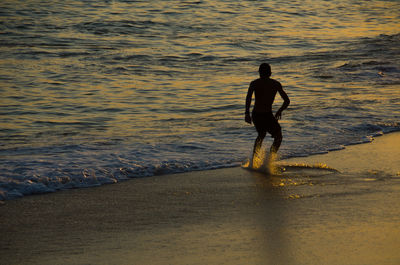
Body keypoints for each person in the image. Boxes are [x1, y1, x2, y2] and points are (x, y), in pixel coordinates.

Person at [245, 63, 290, 162]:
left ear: (259, 73)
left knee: (261, 135)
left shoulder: (254, 83)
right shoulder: (275, 84)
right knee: (278, 137)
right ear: (270, 73)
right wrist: (279, 111)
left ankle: (255, 160)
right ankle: (269, 160)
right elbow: (287, 101)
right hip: (267, 115)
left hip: (256, 114)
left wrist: (247, 114)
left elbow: (248, 99)